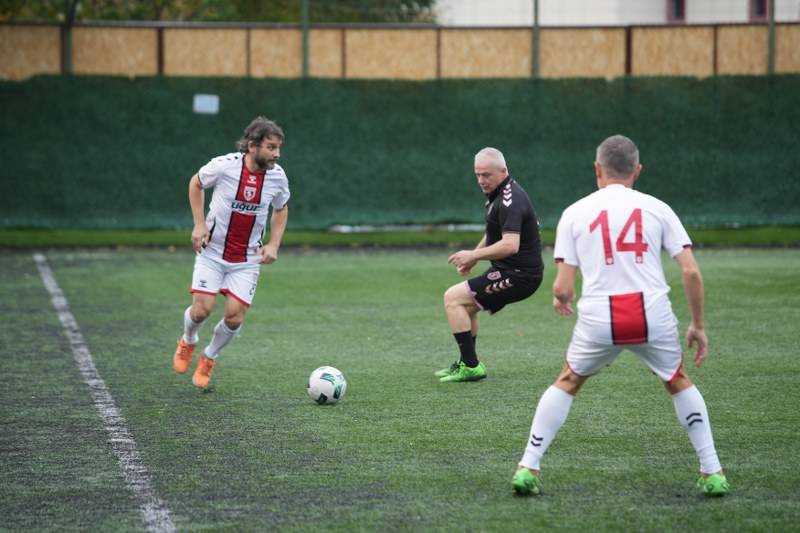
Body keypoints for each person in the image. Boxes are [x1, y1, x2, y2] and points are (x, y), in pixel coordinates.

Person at [511, 135, 729, 497]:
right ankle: (713, 471)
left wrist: (561, 299)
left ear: (597, 169)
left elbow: (563, 287)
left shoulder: (575, 212)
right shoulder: (659, 208)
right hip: (651, 314)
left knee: (568, 380)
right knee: (677, 380)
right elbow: (690, 271)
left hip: (600, 317)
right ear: (637, 171)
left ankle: (527, 466)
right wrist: (698, 325)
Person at [171, 116, 290, 390]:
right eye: (271, 147)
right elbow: (196, 183)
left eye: (278, 148)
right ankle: (188, 340)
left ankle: (209, 357)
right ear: (252, 145)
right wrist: (199, 224)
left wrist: (274, 244)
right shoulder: (224, 166)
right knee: (201, 311)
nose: (277, 154)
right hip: (212, 252)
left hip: (247, 258)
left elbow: (281, 208)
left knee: (235, 316)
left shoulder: (277, 176)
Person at [437, 147, 544, 383]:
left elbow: (510, 245)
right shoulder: (500, 193)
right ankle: (468, 362)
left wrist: (472, 254)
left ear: (503, 171)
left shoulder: (509, 200)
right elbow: (495, 234)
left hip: (520, 276)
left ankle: (471, 367)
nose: (481, 180)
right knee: (466, 307)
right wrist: (475, 257)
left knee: (452, 298)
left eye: (486, 175)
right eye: (477, 175)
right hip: (509, 271)